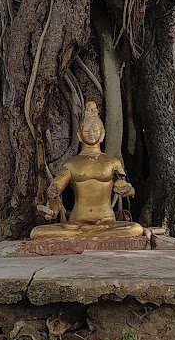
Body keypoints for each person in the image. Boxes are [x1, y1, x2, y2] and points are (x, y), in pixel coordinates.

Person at [30, 101, 144, 239]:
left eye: (95, 130)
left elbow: (126, 186)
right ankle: (91, 236)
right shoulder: (72, 163)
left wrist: (126, 189)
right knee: (37, 232)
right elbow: (55, 190)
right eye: (86, 130)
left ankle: (88, 236)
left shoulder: (112, 162)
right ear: (79, 134)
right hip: (76, 222)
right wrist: (52, 209)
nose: (91, 133)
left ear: (102, 133)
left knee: (134, 229)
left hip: (107, 221)